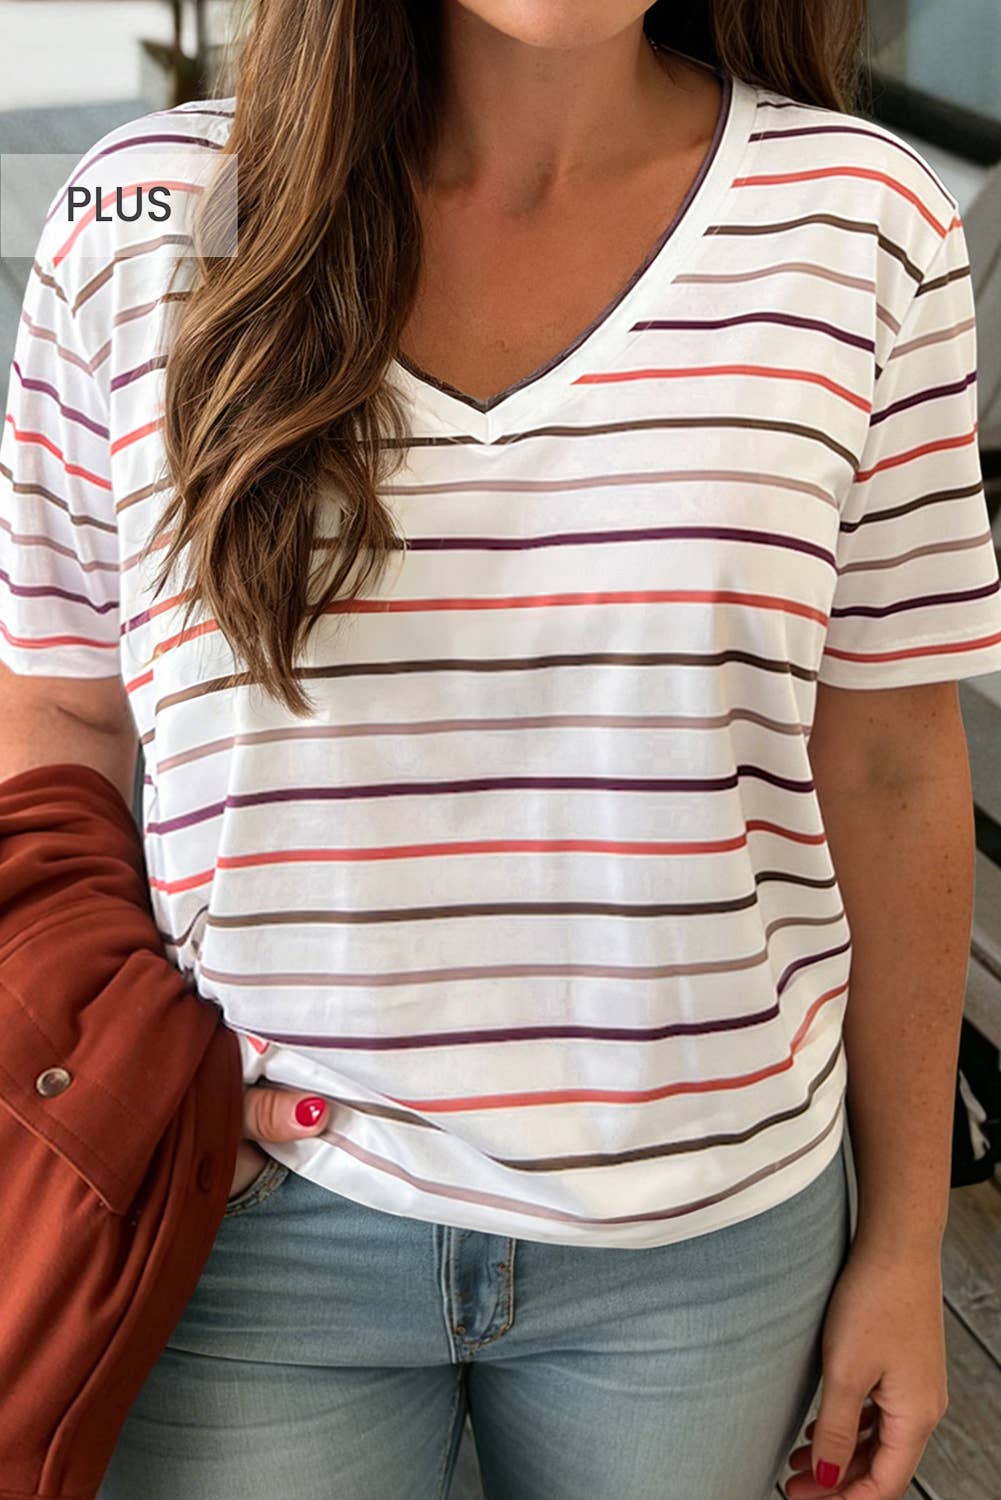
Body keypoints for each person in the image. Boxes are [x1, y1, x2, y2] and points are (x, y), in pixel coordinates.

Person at [2, 2, 999, 1497]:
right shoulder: (140, 224)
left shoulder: (860, 225)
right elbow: (60, 703)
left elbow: (892, 763)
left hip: (708, 1247)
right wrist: (114, 1047)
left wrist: (907, 1240)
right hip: (240, 1218)